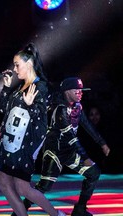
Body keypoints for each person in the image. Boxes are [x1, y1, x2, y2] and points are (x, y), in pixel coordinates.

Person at [0, 43, 66, 216]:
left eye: (17, 65)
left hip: (24, 145)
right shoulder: (18, 89)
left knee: (22, 187)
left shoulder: (41, 87)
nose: (15, 69)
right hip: (8, 142)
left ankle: (56, 214)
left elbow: (41, 119)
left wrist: (31, 106)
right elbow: (3, 110)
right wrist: (7, 87)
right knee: (4, 183)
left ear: (29, 63)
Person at [17, 77, 110, 216]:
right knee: (44, 186)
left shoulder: (78, 106)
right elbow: (70, 137)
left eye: (81, 90)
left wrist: (102, 143)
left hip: (69, 151)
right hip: (55, 152)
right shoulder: (60, 109)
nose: (80, 93)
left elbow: (87, 125)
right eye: (77, 90)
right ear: (67, 92)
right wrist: (84, 157)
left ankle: (80, 210)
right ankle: (19, 211)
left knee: (93, 173)